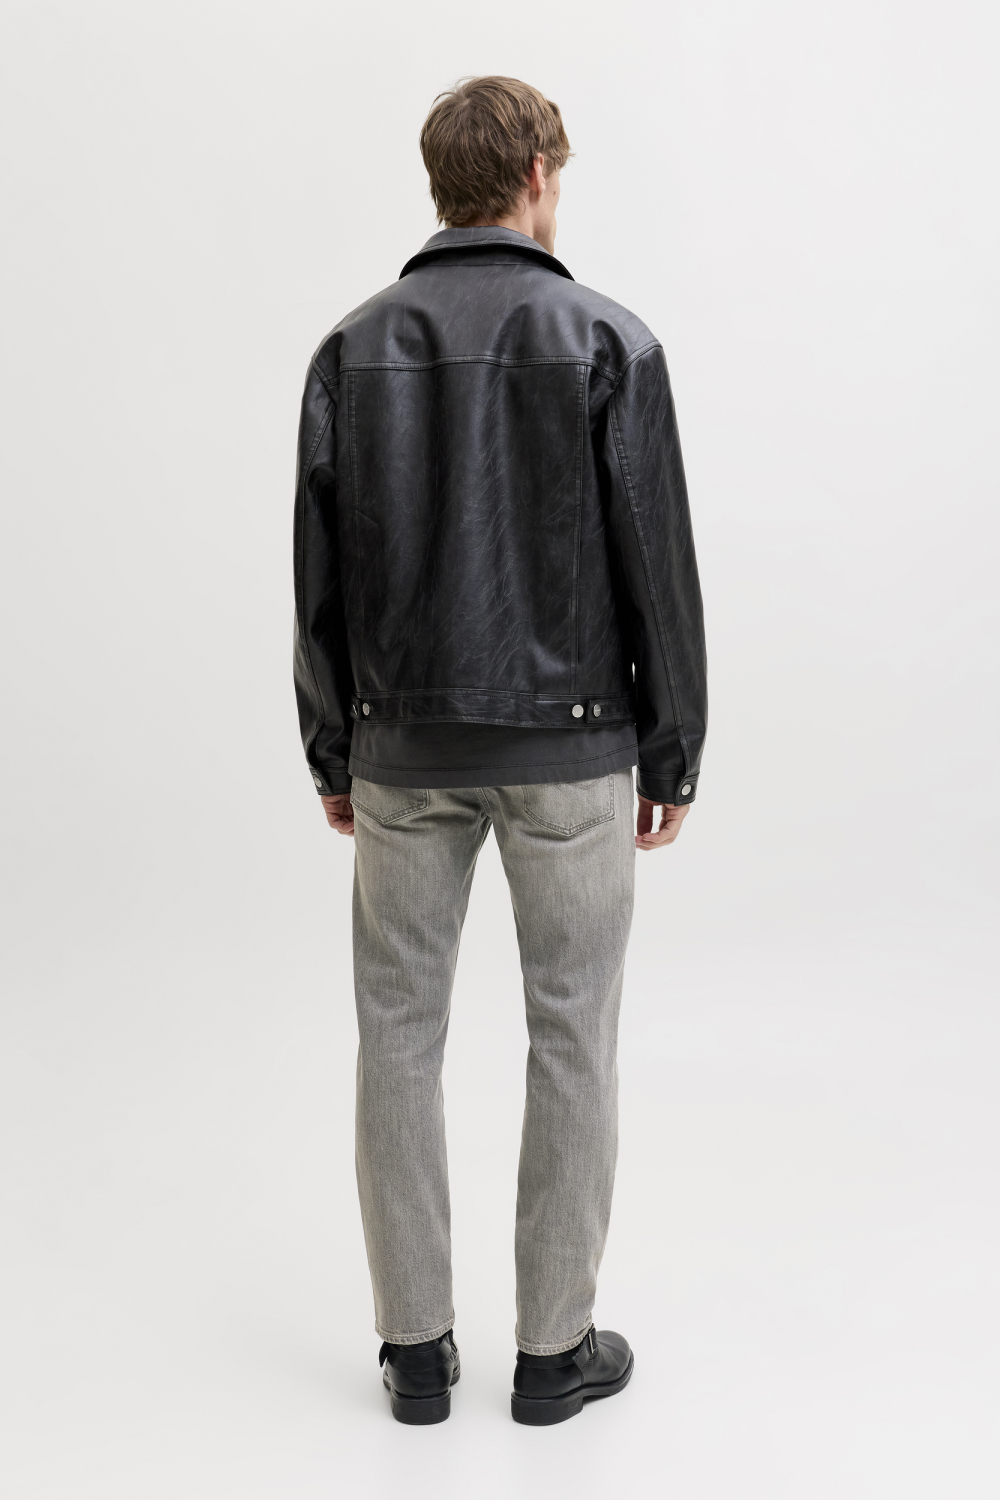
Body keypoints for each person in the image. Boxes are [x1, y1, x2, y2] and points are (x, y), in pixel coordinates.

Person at [292, 75, 706, 1426]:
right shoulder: (608, 340)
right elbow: (657, 565)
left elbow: (316, 577)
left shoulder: (351, 348)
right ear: (534, 174)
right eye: (558, 174)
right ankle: (552, 1353)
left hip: (401, 753)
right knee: (572, 1034)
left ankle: (415, 1355)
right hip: (574, 751)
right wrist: (672, 748)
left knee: (396, 1038)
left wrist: (334, 747)